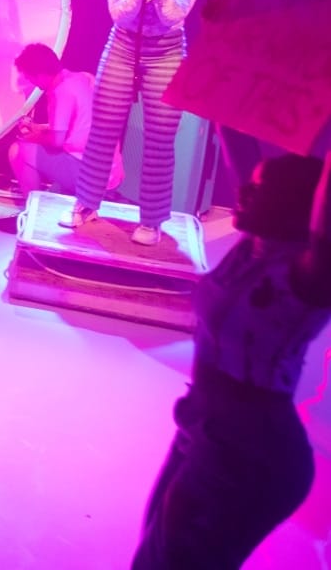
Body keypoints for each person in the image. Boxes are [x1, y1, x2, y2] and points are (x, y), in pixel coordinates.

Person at [132, 152, 331, 569]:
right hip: (203, 427)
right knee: (153, 553)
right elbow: (237, 140)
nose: (241, 193)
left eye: (259, 190)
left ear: (291, 205)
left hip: (252, 455)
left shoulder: (308, 277)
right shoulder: (250, 249)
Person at [65, 0, 205, 245]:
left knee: (160, 140)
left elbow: (173, 16)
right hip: (123, 46)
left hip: (166, 52)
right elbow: (119, 14)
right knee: (102, 131)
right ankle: (86, 204)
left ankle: (152, 221)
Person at [0, 43, 123, 234]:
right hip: (109, 173)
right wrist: (40, 129)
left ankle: (31, 216)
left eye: (29, 77)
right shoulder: (82, 78)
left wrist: (34, 137)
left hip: (92, 179)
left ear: (39, 74)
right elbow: (78, 127)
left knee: (18, 150)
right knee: (33, 147)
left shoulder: (61, 92)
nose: (30, 82)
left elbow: (57, 141)